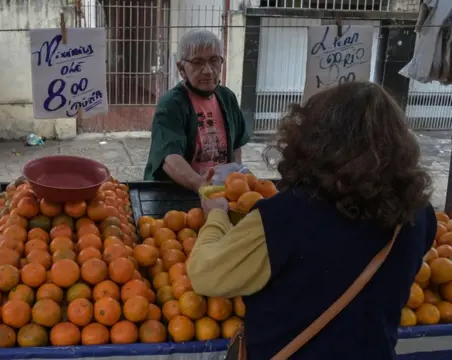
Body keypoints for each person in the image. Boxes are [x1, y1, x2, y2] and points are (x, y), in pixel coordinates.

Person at [187, 82, 436, 359]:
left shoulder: (285, 217)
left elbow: (205, 274)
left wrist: (217, 215)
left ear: (313, 141)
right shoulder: (420, 215)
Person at [143, 30, 249, 191]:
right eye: (197, 62)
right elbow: (169, 158)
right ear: (181, 68)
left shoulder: (227, 97)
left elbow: (236, 147)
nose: (207, 70)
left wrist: (236, 180)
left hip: (219, 190)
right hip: (177, 192)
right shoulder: (172, 104)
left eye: (214, 60)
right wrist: (202, 186)